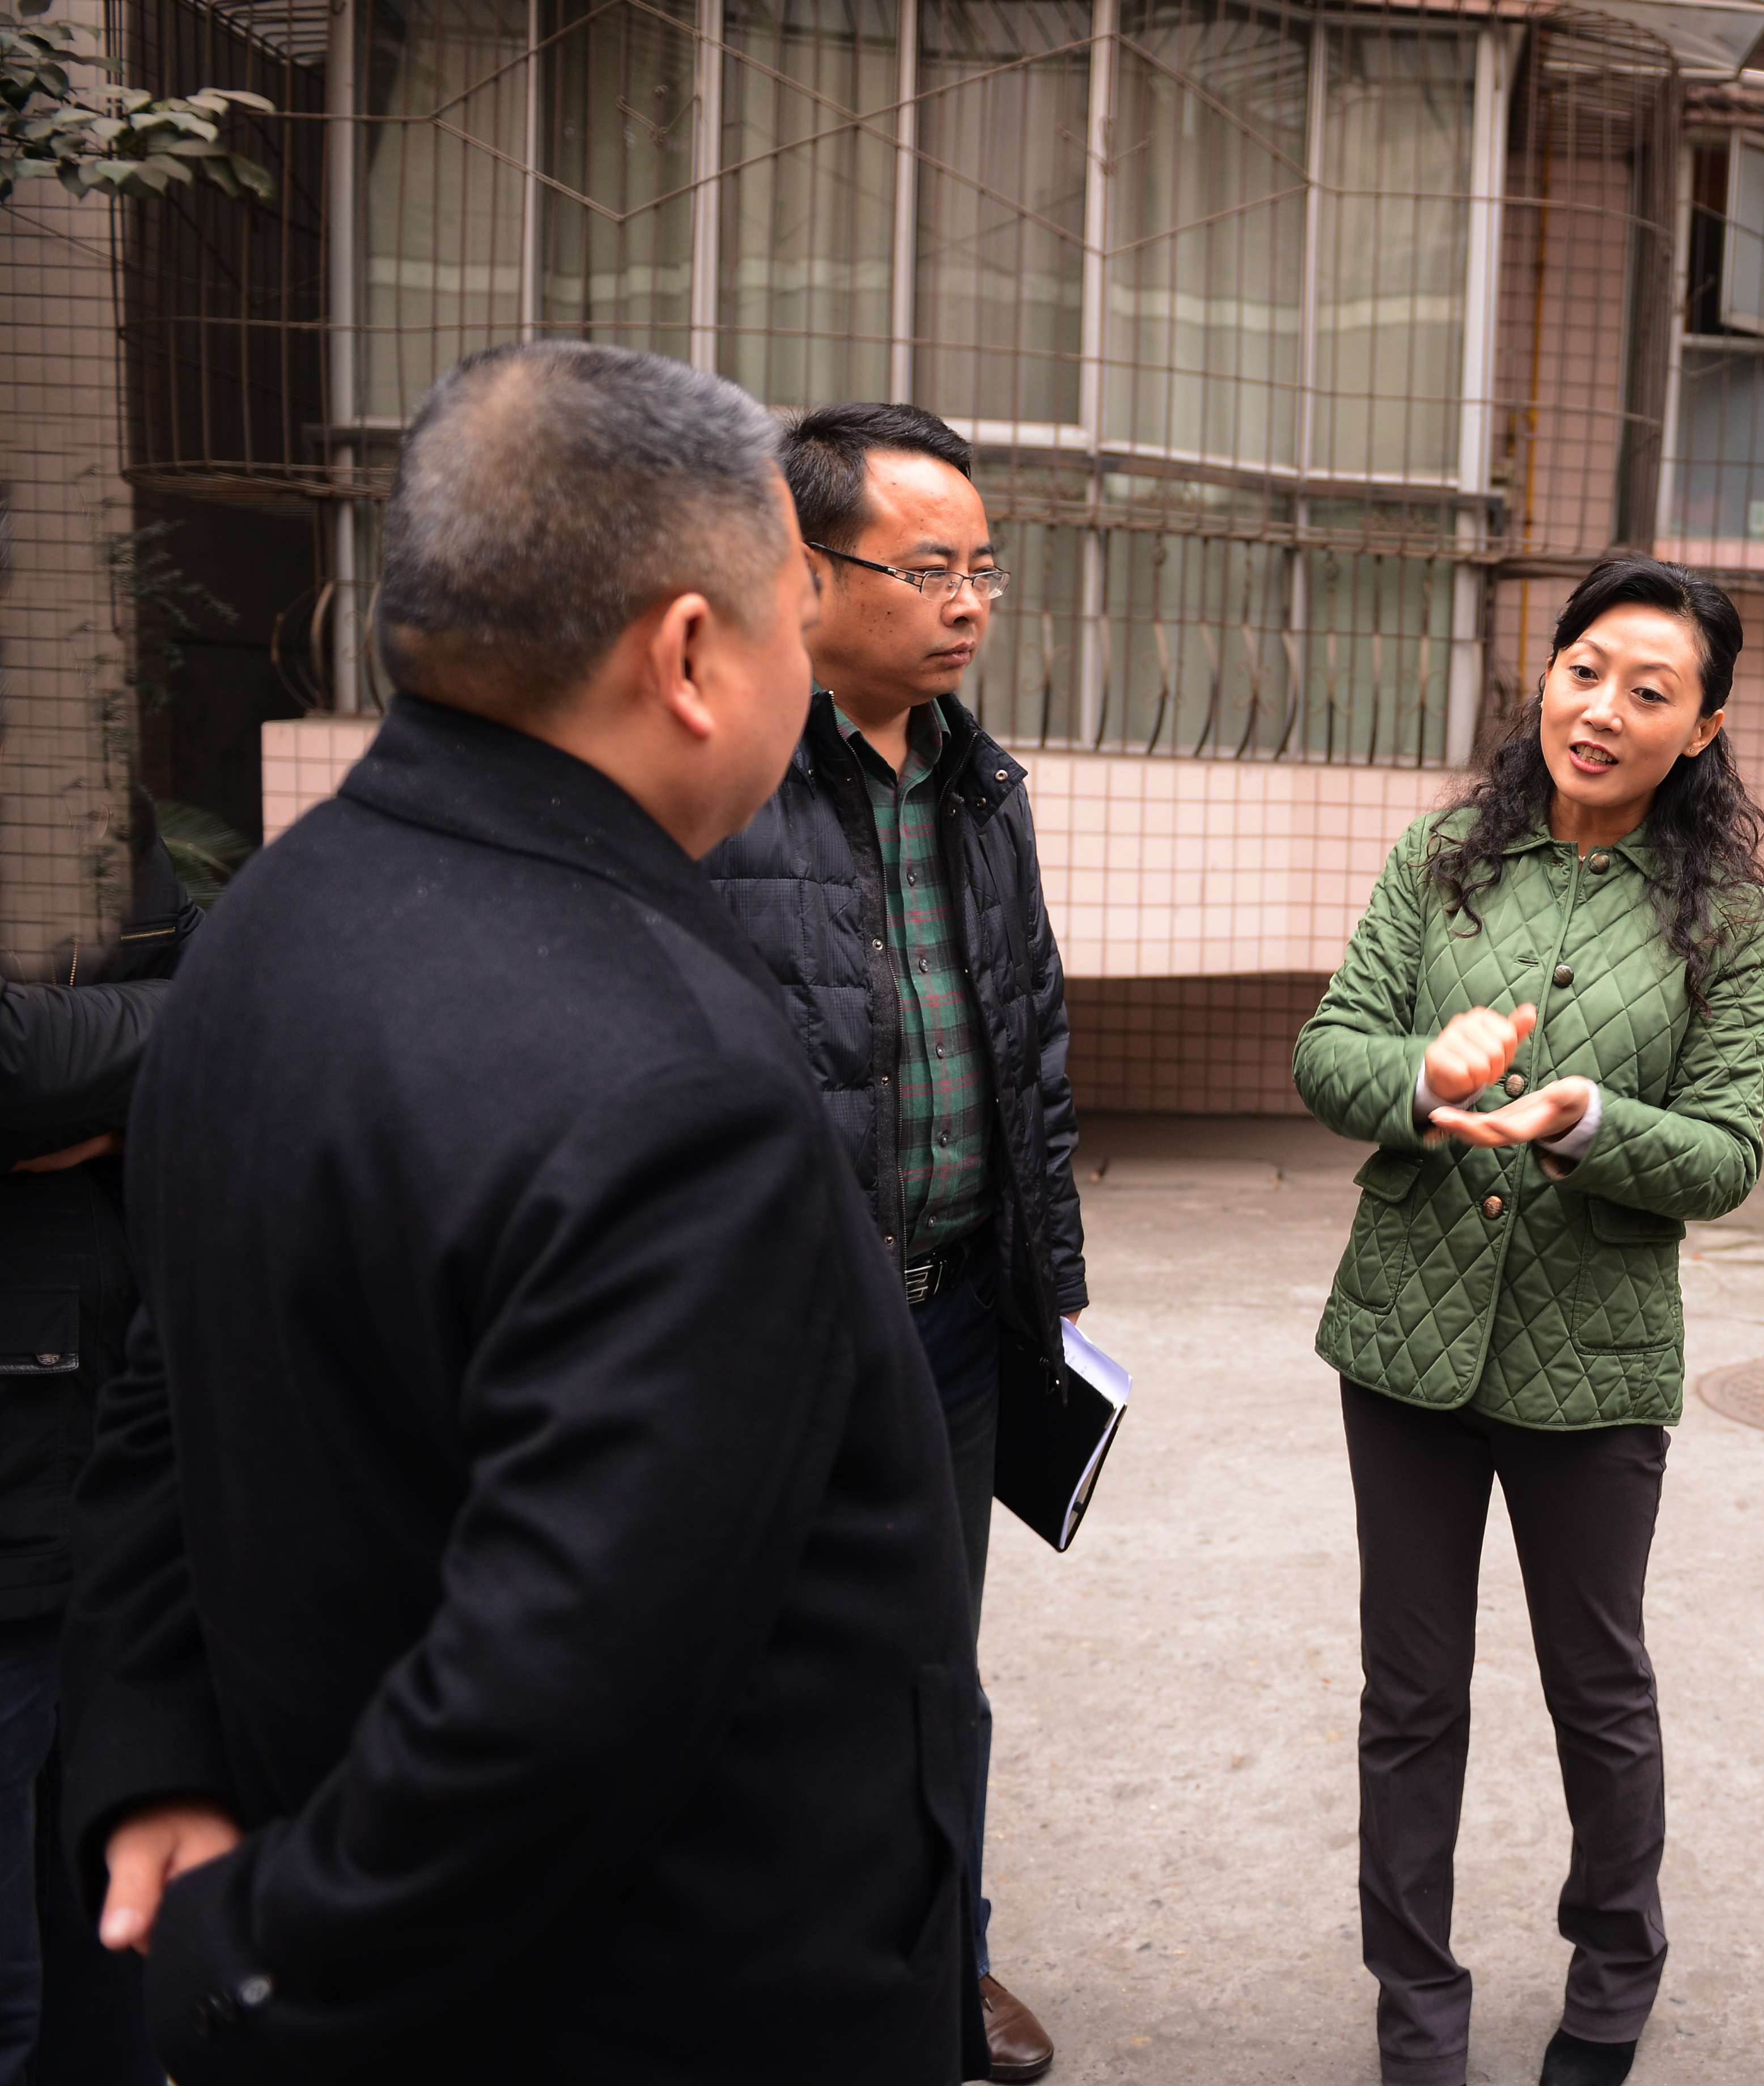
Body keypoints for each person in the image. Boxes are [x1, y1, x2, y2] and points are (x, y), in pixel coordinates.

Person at [57, 341, 987, 2084]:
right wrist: (249, 1968)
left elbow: (165, 1401)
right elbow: (557, 1696)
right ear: (691, 658)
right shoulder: (677, 1088)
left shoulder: (267, 926)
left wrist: (156, 1747)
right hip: (652, 2004)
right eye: (793, 618)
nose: (808, 666)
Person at [1291, 558, 1764, 2086]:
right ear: (1548, 674)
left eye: (1651, 690)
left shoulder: (1729, 918)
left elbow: (1728, 1155)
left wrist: (1588, 1124)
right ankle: (1416, 2009)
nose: (1604, 710)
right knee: (1410, 1698)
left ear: (1702, 729)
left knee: (1599, 1691)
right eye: (1585, 670)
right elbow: (1329, 1052)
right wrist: (1421, 1079)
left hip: (1598, 1357)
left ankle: (1613, 1983)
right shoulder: (1443, 857)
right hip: (1407, 1338)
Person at [703, 400, 1082, 2084]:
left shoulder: (980, 783)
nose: (969, 602)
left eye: (985, 567)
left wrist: (1044, 1296)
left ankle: (945, 1967)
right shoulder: (722, 776)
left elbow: (1031, 1040)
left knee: (937, 1672)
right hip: (778, 1333)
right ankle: (770, 1991)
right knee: (754, 1674)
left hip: (956, 1320)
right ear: (805, 568)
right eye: (930, 569)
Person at [0, 798, 196, 2086]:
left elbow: (222, 990)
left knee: (107, 1960)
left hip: (100, 1463)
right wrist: (145, 1054)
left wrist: (111, 1072)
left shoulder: (75, 787)